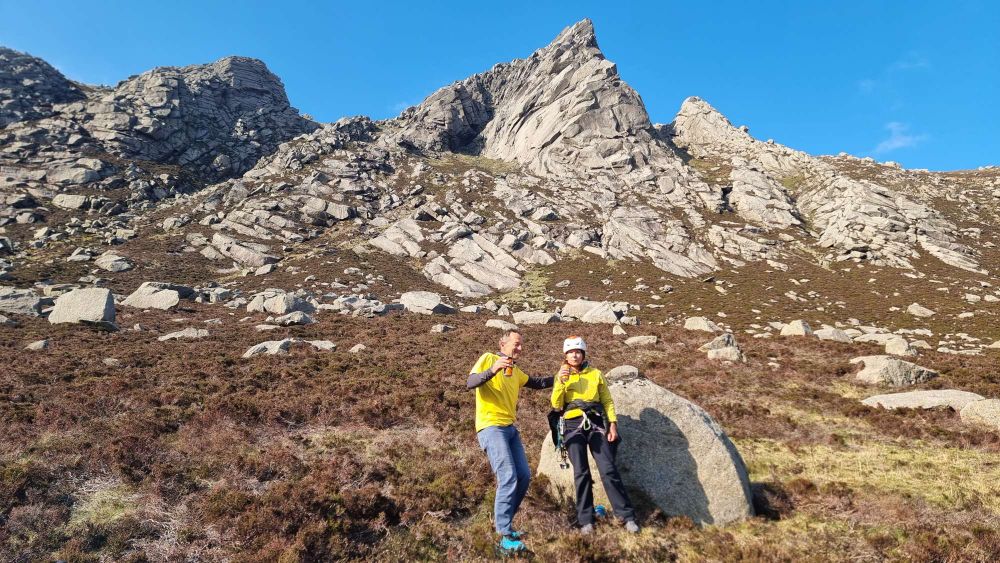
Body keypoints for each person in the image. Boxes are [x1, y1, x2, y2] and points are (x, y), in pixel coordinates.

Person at [467, 329, 554, 553]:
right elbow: (471, 382)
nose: (520, 348)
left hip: (509, 429)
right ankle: (504, 536)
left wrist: (561, 377)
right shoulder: (489, 358)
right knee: (507, 476)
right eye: (516, 344)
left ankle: (504, 523)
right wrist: (494, 369)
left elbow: (535, 382)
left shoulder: (515, 370)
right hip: (491, 427)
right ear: (502, 344)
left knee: (523, 476)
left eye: (521, 345)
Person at [551, 335, 640, 535]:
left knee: (608, 469)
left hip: (596, 422)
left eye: (577, 352)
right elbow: (556, 404)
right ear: (565, 355)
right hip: (572, 424)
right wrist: (561, 382)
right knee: (581, 472)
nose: (574, 355)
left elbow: (607, 401)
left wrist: (613, 425)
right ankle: (586, 520)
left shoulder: (596, 374)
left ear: (583, 354)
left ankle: (627, 516)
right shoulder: (561, 375)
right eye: (570, 352)